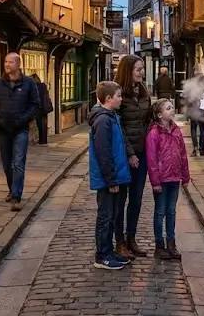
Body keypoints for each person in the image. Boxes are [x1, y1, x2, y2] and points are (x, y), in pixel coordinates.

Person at [88, 81, 132, 270]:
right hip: (107, 179)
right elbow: (104, 153)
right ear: (108, 98)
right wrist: (111, 179)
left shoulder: (112, 117)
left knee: (112, 215)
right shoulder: (103, 120)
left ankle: (109, 251)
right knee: (105, 217)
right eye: (118, 96)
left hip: (115, 176)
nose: (121, 99)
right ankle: (102, 256)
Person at [0, 52, 40, 212]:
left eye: (11, 62)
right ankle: (12, 189)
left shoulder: (29, 83)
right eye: (5, 61)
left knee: (18, 162)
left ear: (18, 64)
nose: (7, 65)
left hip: (20, 129)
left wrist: (23, 119)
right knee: (6, 164)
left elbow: (35, 105)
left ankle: (16, 196)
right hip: (3, 128)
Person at [113, 54, 151, 259]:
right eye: (138, 69)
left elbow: (148, 121)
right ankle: (119, 242)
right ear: (128, 71)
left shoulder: (143, 92)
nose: (142, 72)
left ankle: (131, 239)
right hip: (124, 156)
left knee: (136, 199)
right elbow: (118, 128)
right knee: (120, 200)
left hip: (142, 153)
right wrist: (129, 154)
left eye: (142, 68)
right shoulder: (118, 94)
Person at [145, 99, 190, 260]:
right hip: (162, 180)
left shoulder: (177, 131)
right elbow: (151, 159)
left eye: (172, 107)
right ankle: (159, 245)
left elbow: (183, 154)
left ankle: (171, 243)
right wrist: (155, 182)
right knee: (160, 212)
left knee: (171, 211)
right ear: (159, 115)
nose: (172, 110)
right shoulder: (154, 133)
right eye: (168, 108)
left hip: (174, 178)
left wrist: (185, 176)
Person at [185, 63, 204, 157]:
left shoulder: (192, 81)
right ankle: (202, 149)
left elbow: (188, 97)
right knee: (203, 130)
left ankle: (195, 147)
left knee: (193, 129)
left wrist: (188, 110)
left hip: (194, 108)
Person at [31, 73, 53, 145]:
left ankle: (41, 140)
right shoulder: (43, 85)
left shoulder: (36, 87)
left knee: (40, 124)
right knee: (43, 124)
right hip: (45, 108)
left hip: (39, 108)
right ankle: (44, 140)